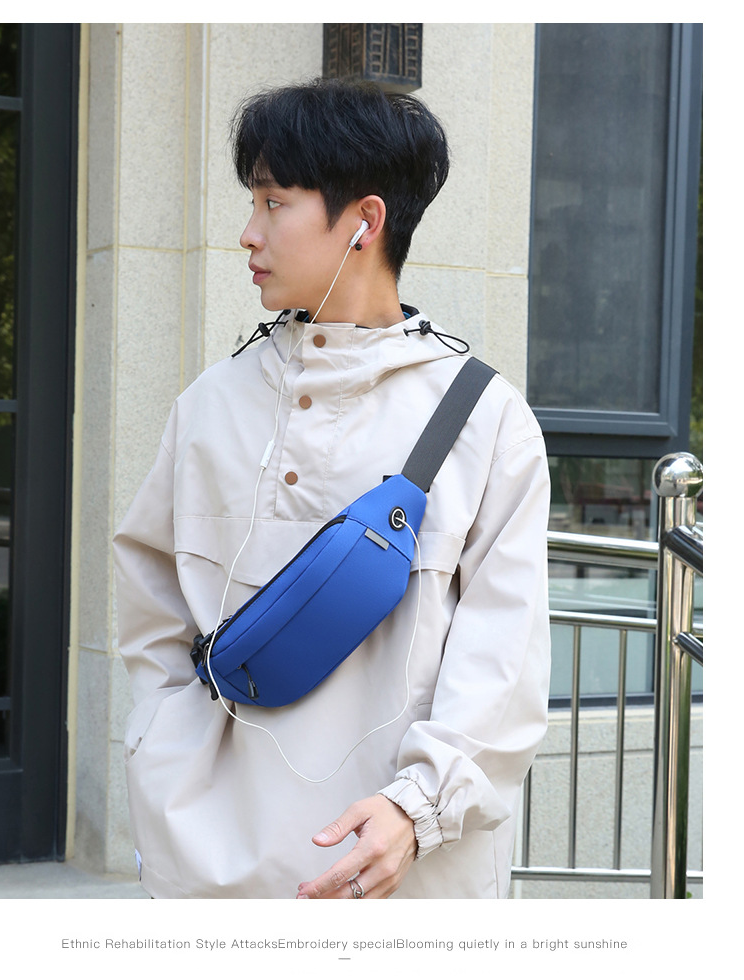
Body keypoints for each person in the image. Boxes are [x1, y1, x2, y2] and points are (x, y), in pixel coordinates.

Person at [114, 77, 551, 900]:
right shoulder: (211, 404)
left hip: (405, 881)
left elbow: (505, 656)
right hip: (214, 874)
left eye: (273, 203)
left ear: (364, 221)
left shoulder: (487, 420)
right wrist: (163, 764)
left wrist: (417, 809)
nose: (248, 233)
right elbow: (152, 617)